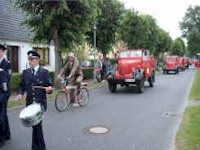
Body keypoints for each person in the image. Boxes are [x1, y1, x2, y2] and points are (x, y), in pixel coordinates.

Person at [15, 50, 53, 150]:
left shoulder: (44, 72)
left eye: (31, 59)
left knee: (37, 125)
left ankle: (39, 147)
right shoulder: (25, 72)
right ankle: (37, 146)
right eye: (29, 59)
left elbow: (49, 87)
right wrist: (20, 93)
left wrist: (49, 90)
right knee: (35, 126)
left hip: (40, 104)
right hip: (30, 105)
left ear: (37, 60)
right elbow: (21, 86)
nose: (29, 61)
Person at [0, 44, 11, 147]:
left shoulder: (7, 63)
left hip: (4, 91)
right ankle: (7, 134)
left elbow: (8, 76)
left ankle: (2, 138)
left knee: (2, 115)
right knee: (3, 114)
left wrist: (2, 72)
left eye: (0, 51)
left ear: (3, 53)